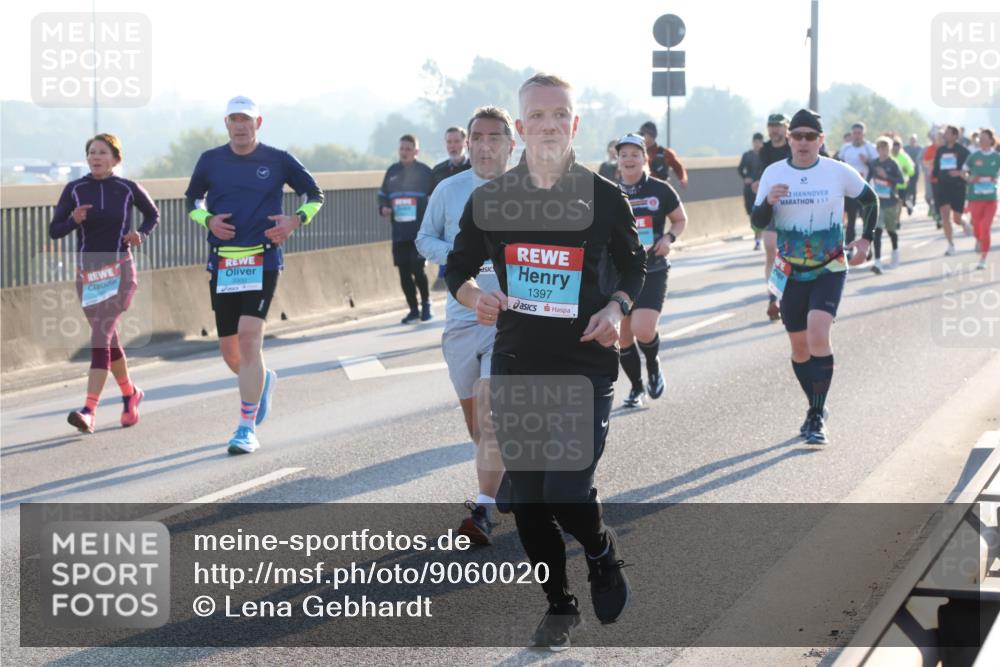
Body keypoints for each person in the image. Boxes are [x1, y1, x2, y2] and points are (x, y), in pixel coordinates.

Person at [446, 73, 645, 650]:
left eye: (560, 114)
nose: (550, 124)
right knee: (527, 502)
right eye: (537, 115)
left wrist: (617, 307)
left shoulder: (605, 197)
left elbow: (635, 269)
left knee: (565, 490)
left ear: (575, 124)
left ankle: (602, 551)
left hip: (583, 361)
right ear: (521, 127)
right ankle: (560, 605)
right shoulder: (490, 199)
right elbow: (457, 270)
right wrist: (474, 297)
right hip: (515, 359)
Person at [185, 96, 324, 454]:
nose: (240, 125)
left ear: (258, 123)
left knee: (249, 338)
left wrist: (297, 220)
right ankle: (262, 383)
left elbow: (315, 193)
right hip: (224, 262)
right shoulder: (210, 160)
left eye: (246, 119)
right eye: (234, 119)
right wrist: (208, 220)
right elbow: (192, 201)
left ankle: (245, 427)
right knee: (230, 350)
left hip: (262, 259)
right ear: (226, 124)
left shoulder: (277, 159)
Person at [416, 106, 516, 544]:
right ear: (468, 143)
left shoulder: (532, 192)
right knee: (477, 425)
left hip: (509, 323)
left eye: (495, 137)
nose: (485, 145)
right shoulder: (448, 190)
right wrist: (461, 259)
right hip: (461, 318)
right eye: (478, 137)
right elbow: (424, 238)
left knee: (492, 417)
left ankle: (482, 509)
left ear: (511, 145)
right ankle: (501, 475)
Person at [751, 109, 878, 445]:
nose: (803, 142)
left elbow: (871, 201)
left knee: (818, 334)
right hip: (790, 271)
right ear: (789, 139)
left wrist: (866, 239)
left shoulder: (837, 171)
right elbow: (756, 221)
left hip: (830, 266)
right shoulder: (774, 173)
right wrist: (767, 202)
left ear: (821, 140)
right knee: (800, 348)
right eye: (798, 135)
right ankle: (814, 405)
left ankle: (817, 415)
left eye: (811, 136)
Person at [50, 133, 159, 433]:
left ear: (115, 158)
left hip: (120, 271)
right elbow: (54, 230)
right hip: (87, 277)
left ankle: (89, 410)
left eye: (102, 152)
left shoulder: (127, 188)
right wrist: (73, 219)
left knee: (100, 338)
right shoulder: (74, 189)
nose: (95, 157)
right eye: (91, 152)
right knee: (108, 341)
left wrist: (141, 234)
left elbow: (153, 214)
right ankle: (130, 394)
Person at [614, 133, 687, 408]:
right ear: (617, 160)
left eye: (635, 154)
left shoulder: (660, 190)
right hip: (620, 273)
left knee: (643, 329)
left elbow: (680, 220)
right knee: (622, 336)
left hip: (653, 269)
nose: (629, 160)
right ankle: (635, 388)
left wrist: (669, 239)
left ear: (644, 158)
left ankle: (653, 364)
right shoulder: (610, 192)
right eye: (624, 155)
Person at [379, 135, 436, 322]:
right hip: (399, 233)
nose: (404, 152)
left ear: (416, 151)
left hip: (419, 233)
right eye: (401, 149)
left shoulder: (426, 172)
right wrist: (384, 207)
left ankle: (426, 304)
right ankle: (413, 309)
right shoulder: (392, 171)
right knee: (403, 273)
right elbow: (382, 195)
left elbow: (438, 197)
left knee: (418, 269)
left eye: (408, 149)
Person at [754, 113, 792, 321]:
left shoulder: (794, 146)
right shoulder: (765, 150)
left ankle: (789, 293)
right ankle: (773, 298)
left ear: (787, 128)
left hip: (795, 204)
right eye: (771, 126)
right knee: (771, 250)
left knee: (789, 254)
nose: (774, 130)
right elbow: (765, 175)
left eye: (778, 126)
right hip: (772, 204)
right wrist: (758, 184)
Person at [962, 128, 1000, 270]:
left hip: (991, 199)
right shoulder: (974, 156)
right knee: (977, 227)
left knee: (986, 228)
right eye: (980, 138)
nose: (981, 141)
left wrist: (995, 179)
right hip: (975, 198)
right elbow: (963, 171)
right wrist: (970, 178)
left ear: (991, 140)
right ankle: (978, 239)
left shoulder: (996, 157)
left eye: (984, 138)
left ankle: (983, 258)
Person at [837, 122, 879, 246]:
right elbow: (839, 163)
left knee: (867, 220)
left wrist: (867, 162)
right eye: (854, 133)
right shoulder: (846, 148)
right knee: (851, 222)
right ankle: (849, 248)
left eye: (859, 133)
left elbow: (876, 168)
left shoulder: (870, 148)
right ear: (851, 134)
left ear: (863, 134)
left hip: (865, 190)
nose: (856, 136)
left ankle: (867, 245)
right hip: (850, 190)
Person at [933, 125, 972, 256]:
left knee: (956, 219)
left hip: (958, 187)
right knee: (944, 214)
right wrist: (935, 178)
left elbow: (970, 168)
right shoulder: (940, 150)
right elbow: (936, 169)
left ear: (955, 136)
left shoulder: (963, 151)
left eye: (948, 133)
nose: (945, 135)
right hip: (943, 186)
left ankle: (963, 223)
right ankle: (951, 245)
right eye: (945, 133)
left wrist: (960, 172)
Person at [870, 137, 905, 273]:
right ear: (877, 150)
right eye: (880, 149)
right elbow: (868, 179)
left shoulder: (893, 164)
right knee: (877, 231)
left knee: (891, 231)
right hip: (878, 202)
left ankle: (895, 251)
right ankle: (877, 262)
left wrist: (886, 176)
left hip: (890, 202)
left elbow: (901, 180)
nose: (883, 151)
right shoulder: (873, 163)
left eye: (885, 149)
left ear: (889, 150)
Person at [638, 121, 688, 187]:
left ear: (651, 135)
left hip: (661, 191)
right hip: (642, 190)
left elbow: (679, 168)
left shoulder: (666, 153)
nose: (641, 137)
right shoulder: (637, 153)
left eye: (643, 134)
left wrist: (683, 179)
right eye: (640, 134)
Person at [739, 133, 765, 249]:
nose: (757, 144)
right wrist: (745, 178)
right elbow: (740, 169)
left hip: (763, 188)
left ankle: (760, 239)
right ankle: (758, 238)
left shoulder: (766, 155)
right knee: (752, 213)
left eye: (759, 142)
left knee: (762, 212)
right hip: (750, 189)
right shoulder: (747, 155)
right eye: (755, 142)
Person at [431, 126, 471, 191]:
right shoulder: (438, 170)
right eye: (449, 142)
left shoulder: (475, 169)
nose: (452, 145)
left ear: (465, 143)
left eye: (456, 141)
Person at [923, 130, 944, 228]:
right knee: (936, 200)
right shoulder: (931, 149)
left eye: (941, 138)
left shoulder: (947, 148)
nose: (939, 140)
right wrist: (934, 161)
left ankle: (945, 217)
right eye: (938, 138)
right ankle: (939, 218)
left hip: (947, 179)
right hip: (935, 178)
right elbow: (925, 162)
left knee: (945, 200)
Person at [891, 137, 916, 217]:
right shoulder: (889, 156)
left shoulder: (904, 157)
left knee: (899, 202)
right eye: (894, 146)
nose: (895, 148)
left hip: (902, 184)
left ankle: (897, 220)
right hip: (890, 184)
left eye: (897, 146)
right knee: (892, 203)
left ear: (900, 147)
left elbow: (912, 171)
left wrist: (907, 171)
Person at [902, 134, 923, 211]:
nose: (912, 141)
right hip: (906, 171)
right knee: (907, 187)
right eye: (911, 140)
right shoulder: (905, 148)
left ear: (916, 141)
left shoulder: (920, 148)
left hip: (916, 170)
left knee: (913, 186)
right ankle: (907, 202)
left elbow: (922, 159)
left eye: (914, 140)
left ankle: (913, 202)